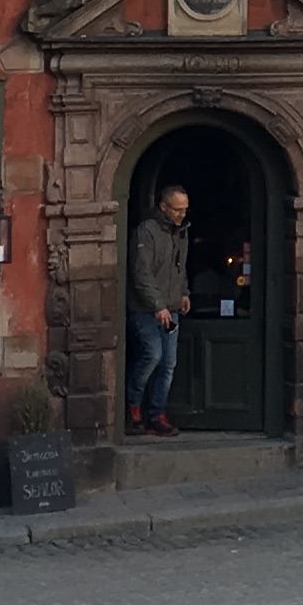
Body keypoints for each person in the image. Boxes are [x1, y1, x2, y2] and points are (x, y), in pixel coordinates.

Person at [125, 182, 192, 434]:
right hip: (145, 310)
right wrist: (158, 306)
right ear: (163, 206)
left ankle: (157, 415)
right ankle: (133, 407)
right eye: (176, 210)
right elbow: (141, 274)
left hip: (171, 309)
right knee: (152, 355)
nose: (181, 215)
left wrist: (184, 293)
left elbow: (179, 267)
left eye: (184, 210)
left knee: (169, 363)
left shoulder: (181, 232)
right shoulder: (146, 232)